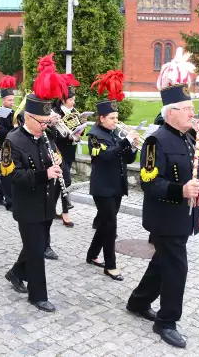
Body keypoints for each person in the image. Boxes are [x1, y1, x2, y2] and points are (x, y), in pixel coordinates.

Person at [126, 48, 199, 349]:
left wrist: (198, 189)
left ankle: (138, 301)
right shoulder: (156, 141)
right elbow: (148, 182)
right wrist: (180, 191)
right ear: (171, 113)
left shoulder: (186, 137)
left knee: (163, 262)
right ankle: (167, 321)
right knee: (176, 267)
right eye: (186, 109)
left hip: (183, 216)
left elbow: (191, 169)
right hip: (165, 217)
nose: (191, 113)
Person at [1, 53, 66, 313]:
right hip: (27, 206)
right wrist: (43, 175)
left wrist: (57, 162)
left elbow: (54, 155)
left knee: (34, 246)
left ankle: (16, 273)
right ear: (28, 118)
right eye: (42, 122)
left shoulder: (44, 136)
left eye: (46, 122)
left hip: (46, 202)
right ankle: (38, 296)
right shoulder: (12, 140)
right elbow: (11, 175)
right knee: (37, 251)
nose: (45, 126)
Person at [85, 70, 138, 281]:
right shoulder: (94, 136)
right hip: (102, 187)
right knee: (111, 225)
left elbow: (127, 160)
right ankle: (110, 265)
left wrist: (132, 147)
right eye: (112, 118)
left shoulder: (114, 133)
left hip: (116, 186)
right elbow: (104, 157)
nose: (116, 121)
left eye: (117, 118)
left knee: (107, 223)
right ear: (101, 118)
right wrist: (124, 143)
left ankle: (91, 255)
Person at [52, 87, 80, 227]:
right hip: (59, 151)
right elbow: (54, 135)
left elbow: (79, 128)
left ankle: (50, 209)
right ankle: (65, 212)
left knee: (59, 183)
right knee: (65, 182)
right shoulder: (56, 112)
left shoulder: (74, 112)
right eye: (70, 99)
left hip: (69, 151)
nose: (73, 102)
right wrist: (68, 136)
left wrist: (79, 131)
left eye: (74, 99)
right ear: (63, 100)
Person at [0, 76, 16, 211]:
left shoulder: (14, 113)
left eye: (13, 100)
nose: (12, 102)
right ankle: (10, 202)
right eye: (9, 100)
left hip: (13, 146)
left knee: (6, 174)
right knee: (6, 175)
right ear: (3, 100)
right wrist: (14, 129)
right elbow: (0, 131)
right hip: (2, 147)